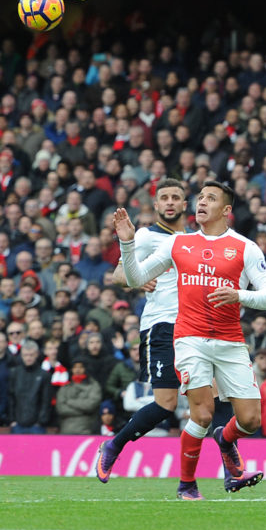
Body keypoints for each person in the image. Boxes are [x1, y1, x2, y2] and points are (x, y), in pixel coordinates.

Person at [114, 180, 266, 500]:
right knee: (201, 414)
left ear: (226, 210)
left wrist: (239, 295)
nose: (201, 202)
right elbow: (135, 278)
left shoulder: (245, 247)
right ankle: (187, 485)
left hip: (231, 341)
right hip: (189, 337)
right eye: (200, 197)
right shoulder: (178, 244)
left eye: (211, 198)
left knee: (250, 420)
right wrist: (127, 244)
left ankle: (226, 439)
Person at [96, 178, 187, 481]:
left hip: (196, 327)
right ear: (157, 205)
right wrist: (137, 278)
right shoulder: (147, 236)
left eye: (176, 197)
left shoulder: (196, 240)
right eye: (165, 198)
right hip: (162, 324)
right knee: (166, 404)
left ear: (185, 205)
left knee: (210, 402)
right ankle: (114, 446)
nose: (171, 202)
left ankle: (224, 471)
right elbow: (119, 275)